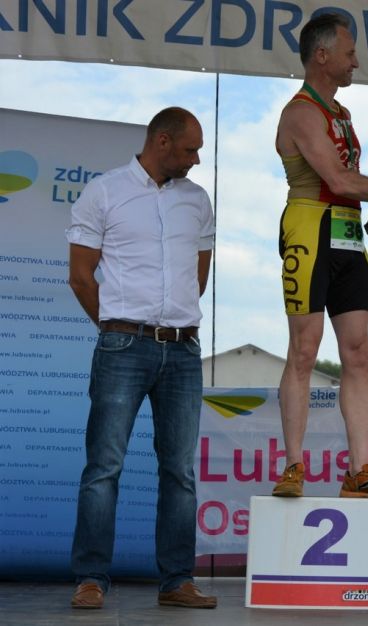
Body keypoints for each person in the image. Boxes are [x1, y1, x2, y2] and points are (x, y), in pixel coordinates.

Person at [271, 13, 368, 498]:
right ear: (322, 56)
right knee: (305, 347)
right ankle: (293, 466)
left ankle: (360, 470)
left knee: (358, 351)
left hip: (348, 231)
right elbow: (338, 180)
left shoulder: (341, 112)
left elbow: (351, 181)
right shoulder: (300, 112)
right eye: (349, 53)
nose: (356, 62)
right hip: (310, 225)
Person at [66, 107, 217, 609]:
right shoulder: (104, 191)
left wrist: (171, 322)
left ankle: (177, 581)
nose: (197, 160)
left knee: (179, 471)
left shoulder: (198, 200)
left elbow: (198, 276)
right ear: (162, 142)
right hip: (123, 346)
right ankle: (90, 578)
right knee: (104, 466)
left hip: (184, 349)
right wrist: (116, 329)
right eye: (191, 149)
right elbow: (81, 277)